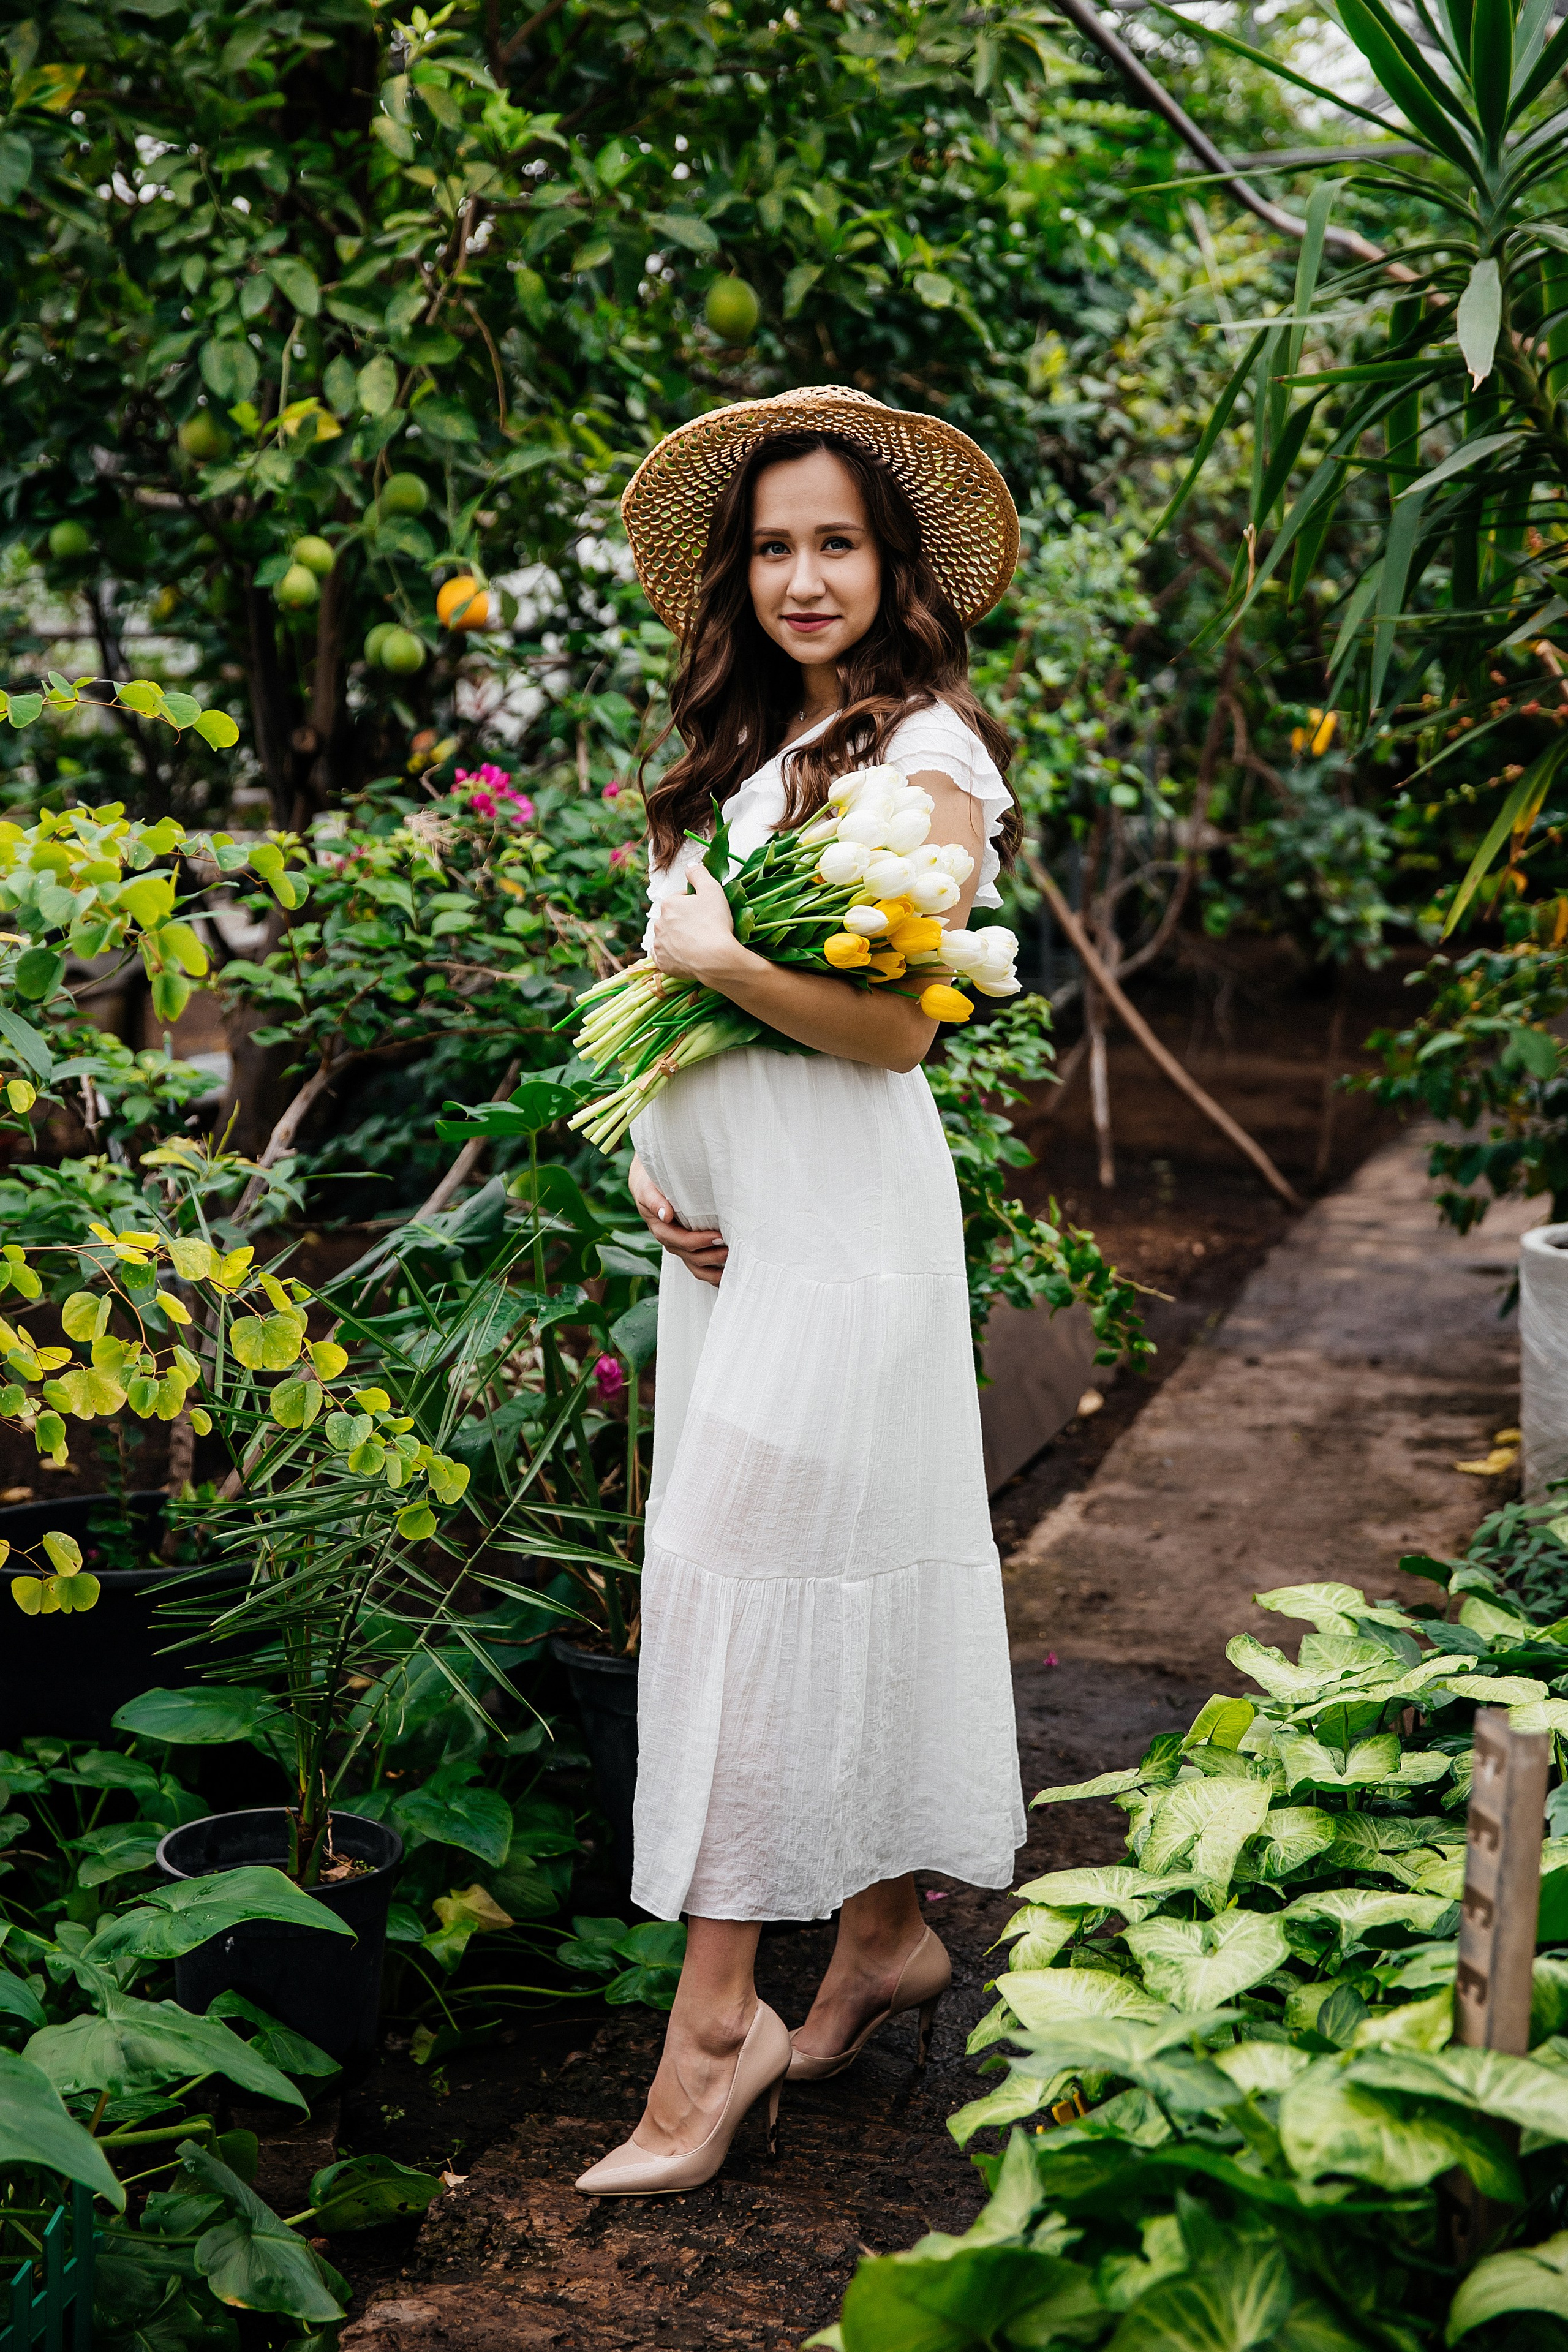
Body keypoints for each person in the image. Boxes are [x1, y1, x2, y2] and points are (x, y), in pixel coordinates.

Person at [574, 386, 1027, 2198]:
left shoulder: (926, 758)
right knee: (808, 1572)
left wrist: (701, 951)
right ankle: (883, 1933)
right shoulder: (754, 754)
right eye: (773, 546)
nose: (804, 575)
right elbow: (707, 1019)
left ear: (894, 564)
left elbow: (902, 1028)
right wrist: (657, 1158)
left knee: (753, 1587)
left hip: (851, 1243)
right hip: (741, 1250)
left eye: (837, 541)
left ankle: (713, 2036)